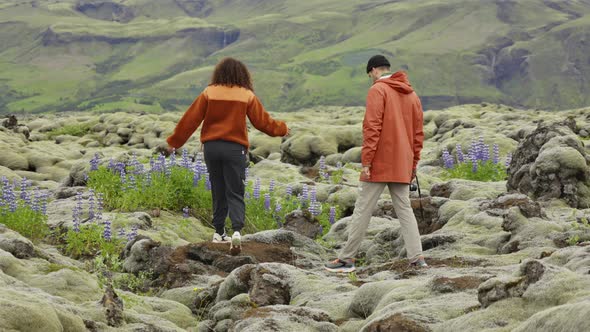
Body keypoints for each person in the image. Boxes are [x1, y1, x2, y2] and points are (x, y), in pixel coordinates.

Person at [166, 57, 289, 250]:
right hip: (235, 148)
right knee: (235, 189)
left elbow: (190, 120)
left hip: (211, 147)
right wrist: (282, 129)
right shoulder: (246, 95)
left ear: (219, 73)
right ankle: (237, 231)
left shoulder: (209, 92)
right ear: (242, 75)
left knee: (218, 188)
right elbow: (262, 122)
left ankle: (219, 232)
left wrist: (174, 142)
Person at [325, 55, 426, 273]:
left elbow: (372, 127)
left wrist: (366, 162)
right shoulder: (412, 95)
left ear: (373, 71)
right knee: (405, 210)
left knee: (363, 209)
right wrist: (413, 164)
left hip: (379, 162)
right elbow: (418, 135)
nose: (371, 78)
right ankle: (417, 258)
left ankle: (347, 259)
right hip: (403, 163)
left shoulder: (378, 90)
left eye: (370, 74)